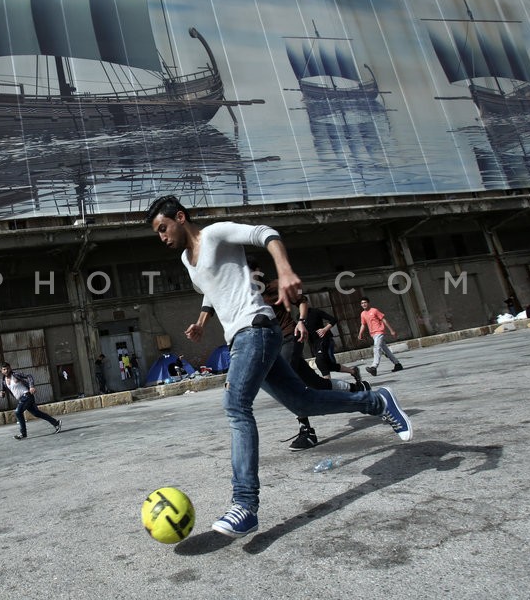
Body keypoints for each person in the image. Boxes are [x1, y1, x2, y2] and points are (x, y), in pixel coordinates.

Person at [146, 195, 412, 538]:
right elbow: (212, 290)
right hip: (239, 337)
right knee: (303, 401)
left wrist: (285, 271)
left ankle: (244, 505)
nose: (162, 237)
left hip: (256, 329)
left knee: (236, 406)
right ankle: (378, 402)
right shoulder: (187, 258)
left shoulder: (215, 234)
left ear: (180, 218)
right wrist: (201, 321)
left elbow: (264, 233)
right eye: (158, 232)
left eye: (163, 228)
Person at [258, 275, 367, 453]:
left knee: (287, 384)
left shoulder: (274, 285)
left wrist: (301, 321)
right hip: (274, 345)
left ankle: (307, 431)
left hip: (290, 337)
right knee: (316, 383)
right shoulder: (243, 294)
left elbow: (302, 301)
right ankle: (357, 389)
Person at [0, 362, 62, 439]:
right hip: (22, 399)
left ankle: (23, 434)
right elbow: (3, 391)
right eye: (4, 369)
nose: (7, 370)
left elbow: (29, 376)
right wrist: (2, 394)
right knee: (36, 413)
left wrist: (31, 386)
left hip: (27, 395)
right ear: (2, 371)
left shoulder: (15, 375)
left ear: (10, 368)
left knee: (18, 412)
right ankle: (56, 423)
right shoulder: (3, 381)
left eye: (8, 368)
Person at [357, 297, 404, 376]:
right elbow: (363, 324)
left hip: (379, 332)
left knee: (376, 348)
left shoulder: (374, 310)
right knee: (385, 350)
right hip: (373, 334)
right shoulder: (363, 314)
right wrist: (360, 334)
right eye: (362, 303)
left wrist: (391, 330)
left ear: (368, 303)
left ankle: (374, 367)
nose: (363, 304)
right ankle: (397, 364)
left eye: (365, 302)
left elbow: (384, 320)